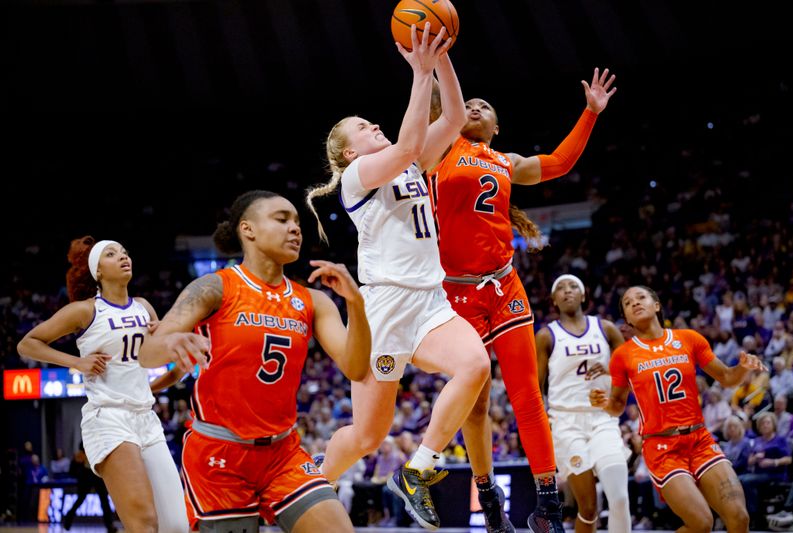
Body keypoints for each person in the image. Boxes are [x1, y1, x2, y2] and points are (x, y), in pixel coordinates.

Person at [305, 23, 490, 530]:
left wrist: (442, 56)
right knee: (367, 436)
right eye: (363, 127)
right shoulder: (356, 179)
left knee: (474, 365)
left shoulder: (406, 162)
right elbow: (408, 145)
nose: (374, 127)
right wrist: (420, 71)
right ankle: (306, 487)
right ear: (347, 152)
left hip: (430, 301)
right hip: (385, 308)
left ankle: (419, 470)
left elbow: (452, 115)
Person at [427, 67, 617, 532]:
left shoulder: (506, 161)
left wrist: (591, 113)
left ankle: (548, 502)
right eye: (466, 104)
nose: (474, 108)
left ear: (496, 128)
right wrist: (432, 60)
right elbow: (435, 99)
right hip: (455, 293)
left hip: (504, 286)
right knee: (473, 401)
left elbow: (559, 162)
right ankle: (488, 496)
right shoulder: (438, 149)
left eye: (484, 107)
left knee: (526, 393)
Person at [138, 190, 371, 533]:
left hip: (283, 453)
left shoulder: (314, 300)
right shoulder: (214, 287)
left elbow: (356, 367)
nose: (295, 229)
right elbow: (147, 353)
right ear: (247, 229)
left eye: (296, 222)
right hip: (220, 454)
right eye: (282, 219)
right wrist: (171, 339)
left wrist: (356, 304)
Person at [17, 236, 189, 533]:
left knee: (176, 525)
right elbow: (27, 344)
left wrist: (170, 344)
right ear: (98, 270)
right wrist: (77, 362)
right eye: (112, 254)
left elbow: (162, 367)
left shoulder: (145, 308)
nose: (124, 257)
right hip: (108, 417)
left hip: (146, 419)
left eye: (125, 252)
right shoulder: (85, 310)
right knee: (144, 523)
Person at [589, 285, 765, 533]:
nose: (635, 303)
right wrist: (604, 403)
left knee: (739, 518)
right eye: (628, 303)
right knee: (702, 523)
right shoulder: (623, 355)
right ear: (627, 318)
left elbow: (726, 377)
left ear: (657, 305)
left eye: (641, 297)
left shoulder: (689, 338)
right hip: (662, 448)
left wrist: (743, 367)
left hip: (700, 440)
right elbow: (617, 405)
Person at [535, 274, 631, 533]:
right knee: (588, 508)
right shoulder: (546, 336)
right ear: (554, 299)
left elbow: (631, 373)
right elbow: (536, 388)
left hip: (603, 419)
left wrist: (610, 369)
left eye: (573, 286)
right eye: (561, 288)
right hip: (566, 424)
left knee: (620, 499)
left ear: (584, 295)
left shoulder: (606, 329)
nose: (568, 291)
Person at [61, 443, 116, 533]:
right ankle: (67, 521)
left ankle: (110, 525)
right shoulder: (79, 455)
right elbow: (72, 471)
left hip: (97, 477)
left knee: (104, 501)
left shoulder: (98, 452)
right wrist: (80, 469)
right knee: (80, 500)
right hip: (85, 479)